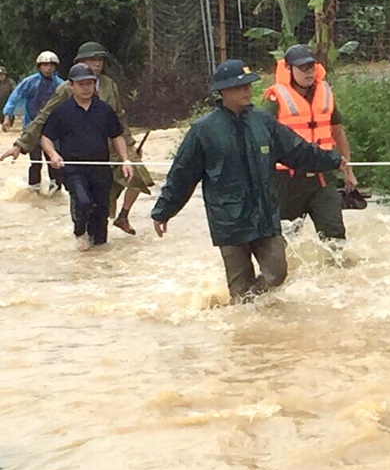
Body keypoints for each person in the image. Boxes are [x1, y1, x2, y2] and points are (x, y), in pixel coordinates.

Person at [150, 59, 342, 303]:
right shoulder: (203, 131)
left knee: (278, 272)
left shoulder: (264, 123)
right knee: (240, 293)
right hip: (228, 222)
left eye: (249, 86)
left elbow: (298, 151)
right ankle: (245, 323)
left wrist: (332, 160)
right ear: (224, 91)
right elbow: (181, 176)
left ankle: (256, 304)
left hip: (264, 215)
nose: (247, 91)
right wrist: (163, 211)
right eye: (240, 87)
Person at [0, 42, 154, 234]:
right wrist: (21, 144)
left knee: (136, 178)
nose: (96, 64)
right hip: (78, 150)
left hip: (110, 147)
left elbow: (118, 117)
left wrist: (129, 147)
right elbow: (45, 116)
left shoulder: (108, 84)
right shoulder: (66, 88)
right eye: (91, 60)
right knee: (84, 198)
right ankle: (82, 230)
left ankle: (121, 217)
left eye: (99, 60)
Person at [261, 44, 357, 243]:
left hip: (322, 179)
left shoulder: (326, 93)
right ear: (289, 70)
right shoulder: (275, 99)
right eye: (302, 68)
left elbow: (338, 133)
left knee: (336, 237)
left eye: (311, 67)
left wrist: (349, 170)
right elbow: (261, 139)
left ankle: (338, 274)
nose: (309, 72)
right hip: (286, 181)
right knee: (284, 242)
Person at [39, 64, 133, 251]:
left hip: (100, 168)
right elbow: (46, 138)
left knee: (101, 212)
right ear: (71, 86)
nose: (86, 88)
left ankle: (98, 254)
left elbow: (117, 136)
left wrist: (125, 160)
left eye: (90, 83)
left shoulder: (104, 110)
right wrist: (53, 154)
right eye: (81, 84)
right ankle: (79, 231)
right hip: (73, 169)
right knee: (83, 201)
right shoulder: (61, 111)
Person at [2, 51, 63, 192]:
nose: (48, 68)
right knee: (35, 162)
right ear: (39, 66)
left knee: (53, 160)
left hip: (53, 129)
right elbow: (14, 97)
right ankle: (33, 191)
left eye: (51, 65)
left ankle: (56, 190)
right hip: (32, 127)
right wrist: (7, 116)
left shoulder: (61, 85)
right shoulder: (30, 82)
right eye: (45, 65)